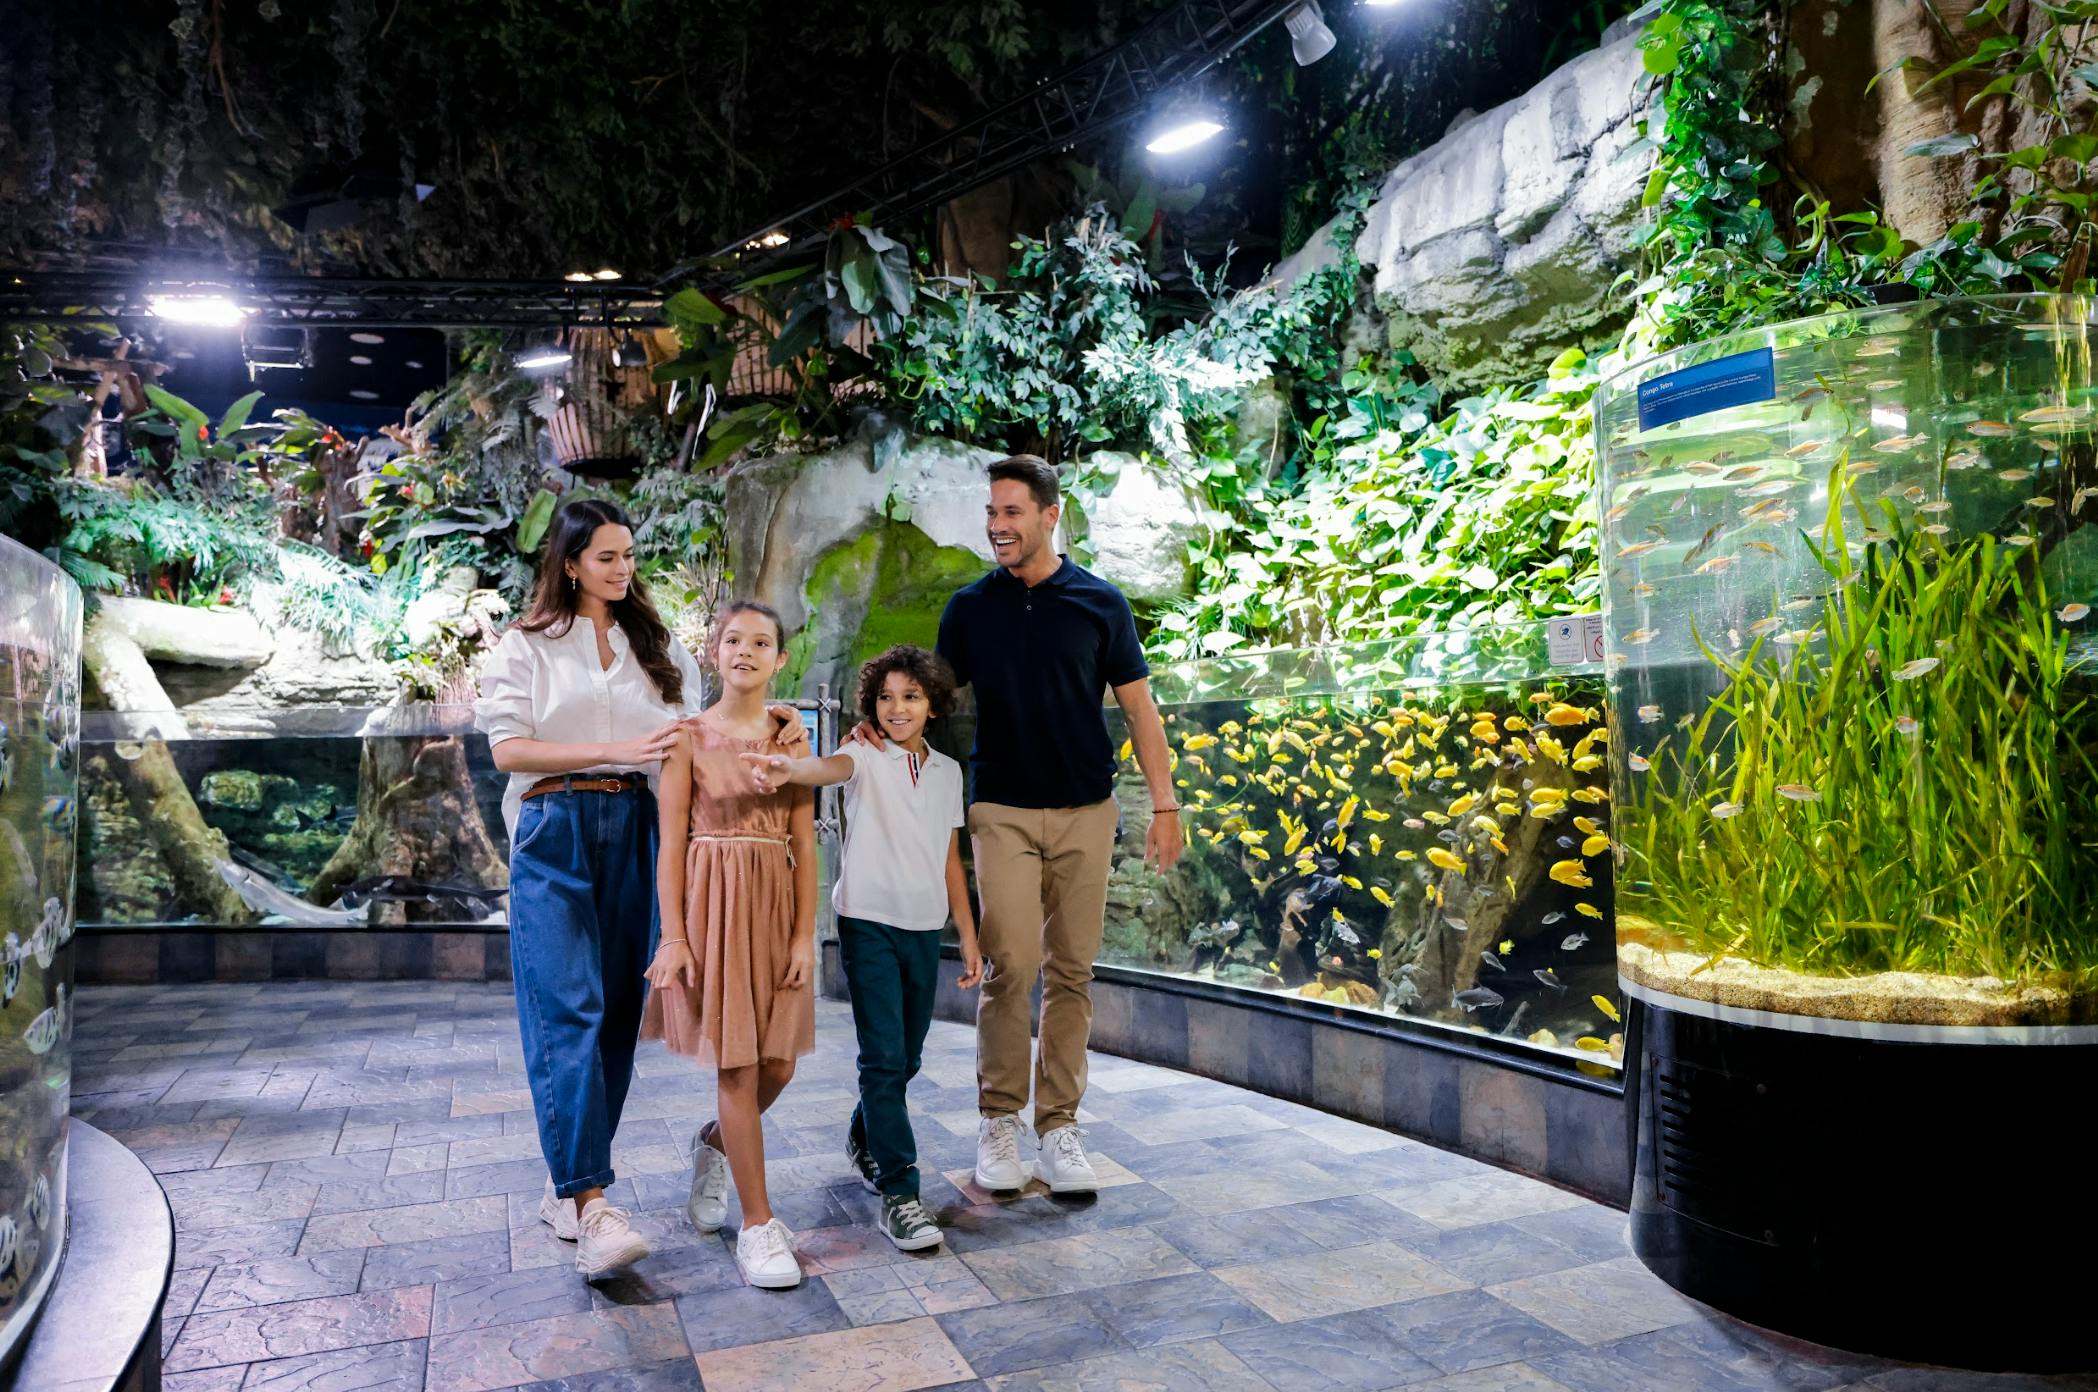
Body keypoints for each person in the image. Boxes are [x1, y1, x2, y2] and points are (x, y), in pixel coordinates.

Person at [853, 455, 1183, 1196]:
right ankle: (999, 1117)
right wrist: (874, 726)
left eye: (1011, 514)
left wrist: (1164, 804)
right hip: (999, 808)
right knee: (1012, 968)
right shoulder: (969, 610)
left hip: (1086, 812)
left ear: (1048, 516)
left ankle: (1059, 1125)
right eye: (991, 515)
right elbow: (923, 698)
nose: (998, 527)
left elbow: (1139, 711)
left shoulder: (1102, 604)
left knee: (1072, 971)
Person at [474, 497, 708, 1277]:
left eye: (629, 555)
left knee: (612, 1017)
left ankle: (568, 1185)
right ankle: (596, 1206)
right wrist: (614, 747)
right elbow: (508, 750)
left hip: (636, 830)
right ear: (569, 563)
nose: (621, 569)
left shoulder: (660, 645)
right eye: (605, 556)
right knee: (566, 1009)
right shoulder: (527, 646)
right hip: (554, 828)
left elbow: (687, 742)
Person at [743, 645, 985, 1252]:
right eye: (885, 697)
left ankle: (865, 1134)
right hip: (867, 924)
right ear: (870, 705)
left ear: (933, 705)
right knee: (882, 1060)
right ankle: (901, 1193)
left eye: (910, 697)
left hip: (925, 927)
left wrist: (969, 934)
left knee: (906, 1060)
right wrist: (787, 770)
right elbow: (826, 770)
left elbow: (951, 860)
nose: (896, 708)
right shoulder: (862, 753)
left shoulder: (949, 773)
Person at [640, 599, 817, 1289]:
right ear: (714, 652)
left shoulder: (789, 740)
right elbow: (670, 845)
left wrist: (805, 936)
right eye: (733, 639)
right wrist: (676, 934)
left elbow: (804, 841)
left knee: (780, 1065)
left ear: (779, 659)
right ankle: (758, 1226)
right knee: (737, 1069)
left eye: (762, 641)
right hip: (714, 908)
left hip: (774, 905)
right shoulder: (685, 738)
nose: (746, 650)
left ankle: (714, 1145)